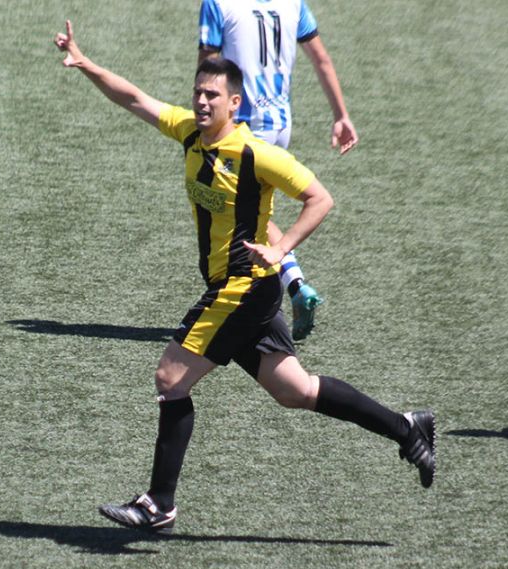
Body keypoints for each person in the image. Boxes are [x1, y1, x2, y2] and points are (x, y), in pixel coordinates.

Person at [53, 20, 434, 535]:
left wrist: (281, 248)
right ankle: (405, 427)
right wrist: (86, 63)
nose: (202, 102)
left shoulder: (258, 154)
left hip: (242, 287)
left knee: (170, 378)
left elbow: (320, 199)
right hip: (238, 290)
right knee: (294, 390)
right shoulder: (190, 132)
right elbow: (137, 100)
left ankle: (158, 504)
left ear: (235, 103)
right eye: (198, 93)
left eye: (212, 95)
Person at [198, 0, 360, 340]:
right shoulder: (293, 3)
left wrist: (203, 119)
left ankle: (287, 288)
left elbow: (209, 68)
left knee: (243, 219)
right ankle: (289, 286)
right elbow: (321, 59)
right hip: (279, 126)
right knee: (257, 212)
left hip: (239, 128)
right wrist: (341, 115)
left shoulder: (218, 3)